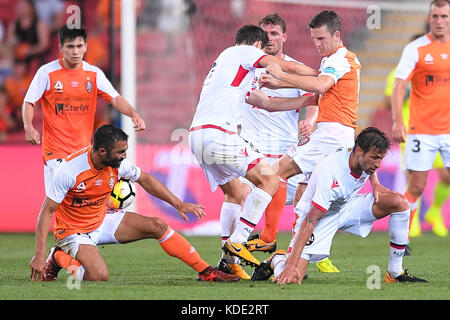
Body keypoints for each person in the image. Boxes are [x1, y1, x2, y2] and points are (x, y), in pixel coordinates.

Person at [243, 10, 386, 271]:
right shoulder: (333, 61)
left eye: (321, 38)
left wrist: (280, 75)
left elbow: (319, 86)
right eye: (314, 39)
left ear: (337, 35)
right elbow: (313, 98)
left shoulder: (340, 58)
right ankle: (291, 259)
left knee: (274, 175)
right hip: (333, 136)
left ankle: (265, 239)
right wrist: (269, 99)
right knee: (303, 202)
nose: (317, 44)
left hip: (330, 137)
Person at [29, 124, 240, 283]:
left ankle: (206, 272)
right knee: (98, 275)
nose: (124, 156)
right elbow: (46, 211)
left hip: (102, 220)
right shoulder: (70, 171)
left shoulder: (118, 164)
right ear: (102, 151)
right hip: (73, 231)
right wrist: (39, 255)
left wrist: (178, 204)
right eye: (120, 152)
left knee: (157, 225)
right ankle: (57, 257)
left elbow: (145, 179)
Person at [188, 24, 317, 268]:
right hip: (219, 135)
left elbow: (267, 103)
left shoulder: (227, 65)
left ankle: (228, 264)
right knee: (271, 180)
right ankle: (238, 241)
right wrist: (319, 74)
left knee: (235, 193)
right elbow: (286, 66)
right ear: (256, 45)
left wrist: (309, 99)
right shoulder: (244, 52)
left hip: (197, 136)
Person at [251, 127, 428, 284]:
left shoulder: (360, 156)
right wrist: (290, 267)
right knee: (293, 276)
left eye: (380, 159)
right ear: (359, 151)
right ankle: (279, 260)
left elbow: (369, 166)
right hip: (317, 217)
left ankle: (395, 272)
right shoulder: (332, 172)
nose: (378, 164)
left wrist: (375, 183)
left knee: (400, 203)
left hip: (348, 206)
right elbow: (311, 219)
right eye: (375, 158)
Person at [22, 25, 146, 194]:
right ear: (60, 47)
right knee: (61, 204)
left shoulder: (93, 74)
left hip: (84, 152)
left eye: (79, 46)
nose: (75, 52)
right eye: (70, 46)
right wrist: (28, 126)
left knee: (81, 205)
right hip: (56, 154)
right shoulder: (47, 72)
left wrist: (134, 114)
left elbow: (115, 98)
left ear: (86, 47)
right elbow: (29, 102)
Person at [391, 0, 450, 244]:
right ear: (429, 18)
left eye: (444, 16)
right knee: (416, 186)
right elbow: (399, 84)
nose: (439, 21)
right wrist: (397, 121)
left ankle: (434, 210)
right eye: (435, 16)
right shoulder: (416, 48)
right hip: (421, 130)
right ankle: (401, 238)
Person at [6, 0, 50, 73]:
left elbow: (44, 45)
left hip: (35, 58)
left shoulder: (39, 24)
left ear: (31, 8)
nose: (21, 9)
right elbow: (9, 43)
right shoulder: (14, 25)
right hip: (18, 59)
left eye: (24, 7)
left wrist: (30, 50)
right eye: (20, 7)